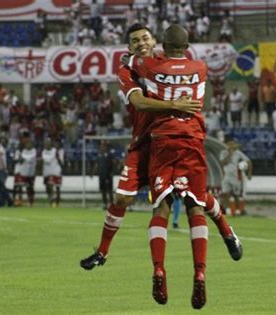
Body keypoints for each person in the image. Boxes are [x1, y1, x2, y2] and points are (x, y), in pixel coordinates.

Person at [81, 24, 241, 275]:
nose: (141, 42)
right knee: (121, 198)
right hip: (142, 143)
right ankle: (102, 252)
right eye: (135, 40)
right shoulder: (126, 71)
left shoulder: (164, 63)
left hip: (168, 140)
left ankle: (227, 232)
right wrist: (173, 104)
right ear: (129, 46)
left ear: (155, 41)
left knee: (194, 196)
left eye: (145, 38)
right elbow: (138, 102)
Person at [123, 23, 225, 309]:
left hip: (163, 140)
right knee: (196, 206)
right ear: (188, 45)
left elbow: (133, 63)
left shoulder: (153, 68)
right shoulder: (201, 67)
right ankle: (200, 271)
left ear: (163, 46)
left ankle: (158, 267)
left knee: (162, 207)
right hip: (192, 140)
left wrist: (129, 59)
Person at [220, 139, 252, 216]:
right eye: (229, 144)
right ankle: (227, 211)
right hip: (226, 176)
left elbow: (248, 161)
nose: (231, 145)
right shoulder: (223, 153)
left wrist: (249, 173)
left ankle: (238, 211)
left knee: (236, 195)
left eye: (232, 144)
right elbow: (222, 163)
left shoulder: (238, 153)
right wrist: (229, 154)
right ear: (226, 144)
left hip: (235, 177)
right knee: (225, 194)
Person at [41, 139, 64, 208]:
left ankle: (56, 202)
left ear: (51, 144)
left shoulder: (55, 151)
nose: (46, 144)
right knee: (48, 187)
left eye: (48, 143)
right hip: (46, 172)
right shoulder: (43, 151)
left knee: (56, 187)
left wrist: (60, 161)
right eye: (46, 143)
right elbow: (44, 161)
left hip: (55, 171)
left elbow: (61, 161)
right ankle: (52, 200)